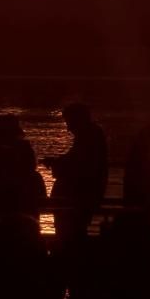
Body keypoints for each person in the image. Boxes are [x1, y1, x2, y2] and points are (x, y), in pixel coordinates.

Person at [44, 103, 107, 246]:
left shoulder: (89, 137)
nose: (68, 128)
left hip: (77, 200)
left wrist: (56, 164)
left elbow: (79, 165)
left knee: (71, 236)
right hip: (79, 199)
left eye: (69, 122)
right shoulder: (91, 136)